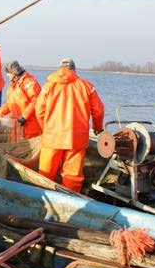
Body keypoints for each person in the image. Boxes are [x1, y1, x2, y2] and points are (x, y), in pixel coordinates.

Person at [35, 58, 104, 193]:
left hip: (52, 137)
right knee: (73, 176)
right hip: (76, 138)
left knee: (45, 173)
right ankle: (69, 203)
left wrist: (46, 128)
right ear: (74, 69)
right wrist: (97, 128)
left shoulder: (48, 86)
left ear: (60, 69)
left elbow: (39, 110)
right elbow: (98, 111)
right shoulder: (87, 86)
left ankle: (41, 200)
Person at [0, 60, 42, 140]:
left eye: (8, 73)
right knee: (15, 147)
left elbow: (36, 100)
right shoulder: (13, 85)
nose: (7, 75)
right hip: (16, 126)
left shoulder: (30, 82)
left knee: (29, 149)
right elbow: (9, 104)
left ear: (14, 73)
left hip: (30, 127)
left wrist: (24, 117)